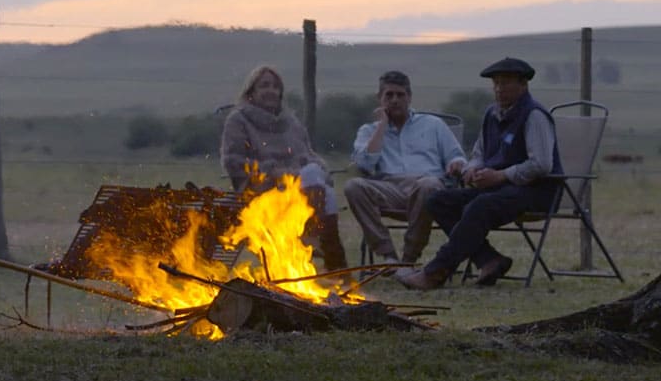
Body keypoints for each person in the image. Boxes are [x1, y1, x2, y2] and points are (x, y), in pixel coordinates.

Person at [397, 57, 561, 290]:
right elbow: (479, 153)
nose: (499, 89)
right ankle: (489, 260)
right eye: (496, 83)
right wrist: (472, 168)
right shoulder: (492, 114)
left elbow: (542, 164)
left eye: (505, 83)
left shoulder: (534, 115)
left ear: (523, 85)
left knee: (480, 206)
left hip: (536, 191)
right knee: (438, 201)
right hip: (500, 190)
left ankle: (435, 272)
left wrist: (501, 175)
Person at [219, 66, 348, 272]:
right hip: (261, 191)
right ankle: (330, 257)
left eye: (275, 86)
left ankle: (326, 252)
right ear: (251, 92)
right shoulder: (239, 120)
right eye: (264, 86)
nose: (270, 91)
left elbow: (308, 154)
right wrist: (271, 172)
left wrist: (320, 170)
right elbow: (233, 161)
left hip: (300, 188)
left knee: (321, 181)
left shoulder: (291, 122)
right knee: (316, 180)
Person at [345, 71, 466, 267]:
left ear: (409, 97)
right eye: (389, 95)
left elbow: (456, 155)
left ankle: (409, 259)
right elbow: (365, 164)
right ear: (380, 99)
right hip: (388, 187)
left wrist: (457, 163)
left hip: (427, 187)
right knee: (353, 186)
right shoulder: (369, 130)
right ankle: (389, 257)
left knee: (428, 185)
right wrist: (382, 125)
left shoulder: (433, 125)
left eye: (400, 95)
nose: (395, 100)